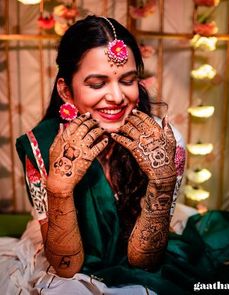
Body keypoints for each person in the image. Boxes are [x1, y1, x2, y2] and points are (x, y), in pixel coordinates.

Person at [16, 15, 185, 294]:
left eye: (128, 80)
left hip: (139, 264)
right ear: (66, 91)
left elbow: (145, 263)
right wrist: (59, 188)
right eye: (97, 84)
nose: (117, 97)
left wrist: (162, 182)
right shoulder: (43, 146)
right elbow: (66, 266)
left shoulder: (165, 144)